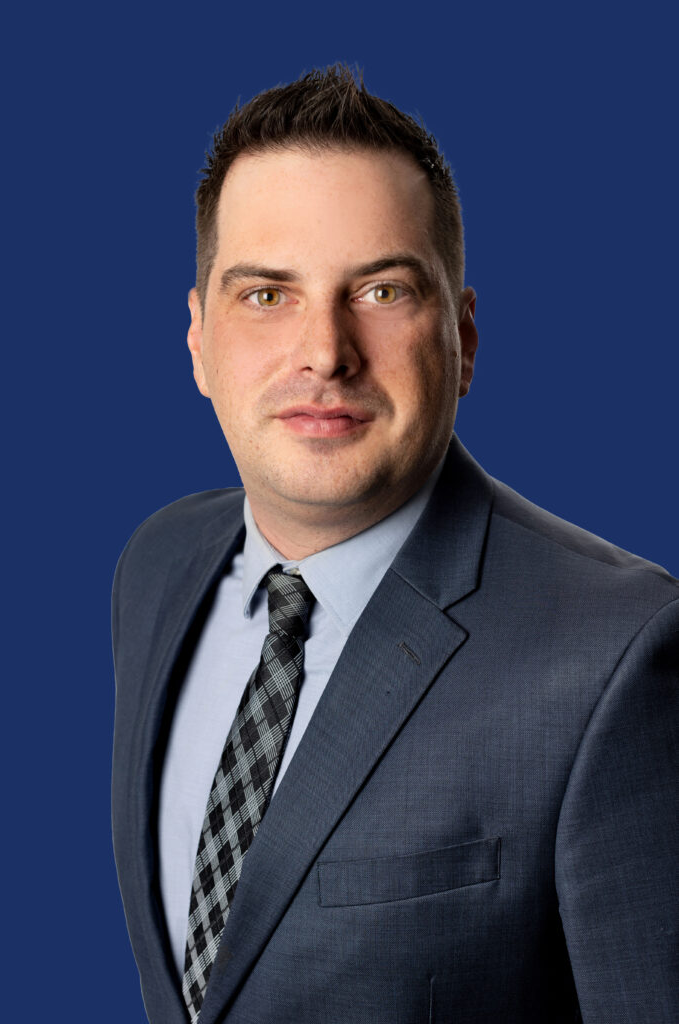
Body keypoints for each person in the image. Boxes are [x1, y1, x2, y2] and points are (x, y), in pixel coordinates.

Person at [111, 65, 678, 1024]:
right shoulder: (156, 565)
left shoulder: (620, 654)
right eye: (266, 295)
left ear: (462, 338)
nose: (324, 352)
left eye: (379, 290)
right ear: (199, 342)